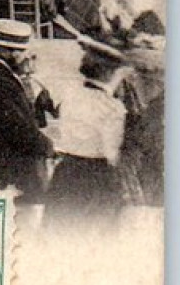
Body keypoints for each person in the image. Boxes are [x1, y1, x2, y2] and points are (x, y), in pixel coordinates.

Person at [0, 19, 56, 200]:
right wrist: (49, 146)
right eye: (24, 53)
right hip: (7, 172)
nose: (28, 58)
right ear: (11, 52)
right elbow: (20, 131)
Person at [44, 39, 131, 223]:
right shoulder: (112, 107)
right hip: (96, 177)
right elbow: (112, 154)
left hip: (66, 172)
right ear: (110, 73)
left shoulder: (70, 95)